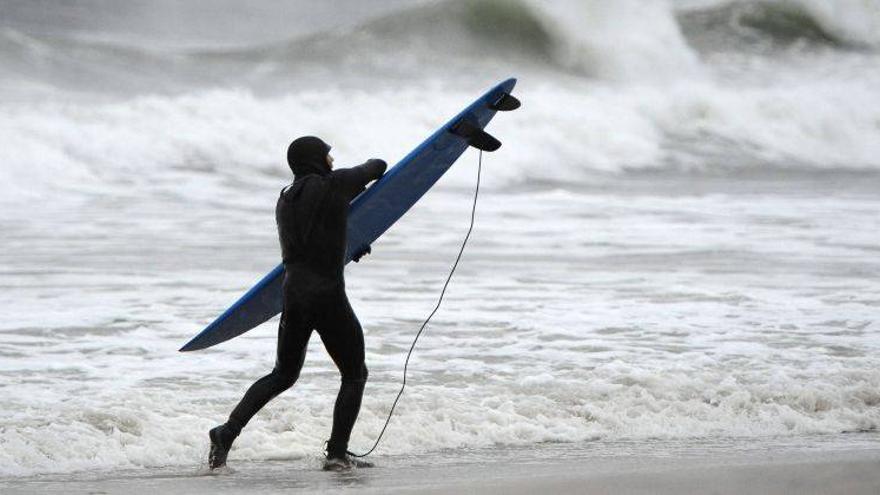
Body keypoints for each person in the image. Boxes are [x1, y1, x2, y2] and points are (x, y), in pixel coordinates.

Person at [208, 136, 387, 471]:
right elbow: (377, 167)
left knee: (283, 374)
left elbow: (313, 239)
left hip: (293, 294)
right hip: (327, 294)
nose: (332, 161)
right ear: (317, 160)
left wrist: (350, 247)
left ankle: (226, 432)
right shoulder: (333, 184)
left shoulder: (285, 200)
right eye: (328, 155)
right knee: (355, 373)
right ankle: (336, 453)